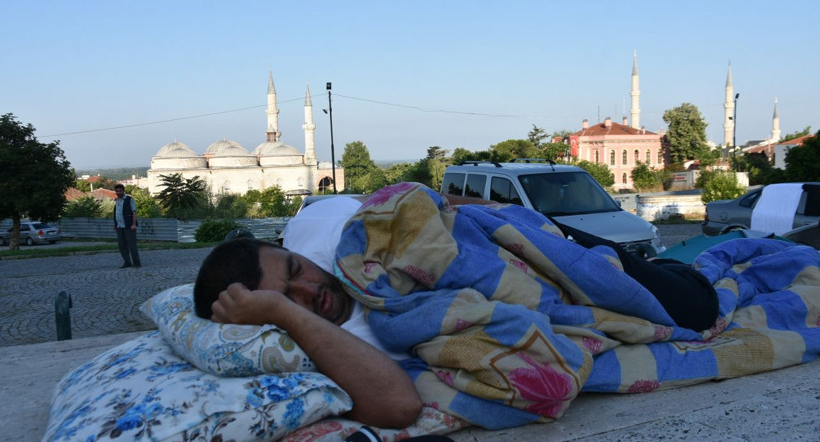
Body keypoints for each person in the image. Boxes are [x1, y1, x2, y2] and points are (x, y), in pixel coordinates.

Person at [193, 186, 718, 426]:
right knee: (694, 308)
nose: (308, 290)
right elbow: (398, 407)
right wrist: (285, 315)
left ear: (289, 251)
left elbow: (412, 203)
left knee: (663, 281)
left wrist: (508, 218)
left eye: (295, 272)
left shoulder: (312, 228)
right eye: (286, 300)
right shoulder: (333, 343)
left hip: (537, 244)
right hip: (549, 297)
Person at [113, 184, 141, 268]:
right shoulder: (116, 200)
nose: (118, 193)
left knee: (132, 245)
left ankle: (136, 263)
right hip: (119, 227)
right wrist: (115, 224)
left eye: (120, 191)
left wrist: (133, 224)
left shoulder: (129, 200)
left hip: (128, 226)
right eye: (117, 191)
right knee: (122, 246)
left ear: (123, 190)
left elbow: (134, 212)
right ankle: (127, 262)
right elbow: (116, 213)